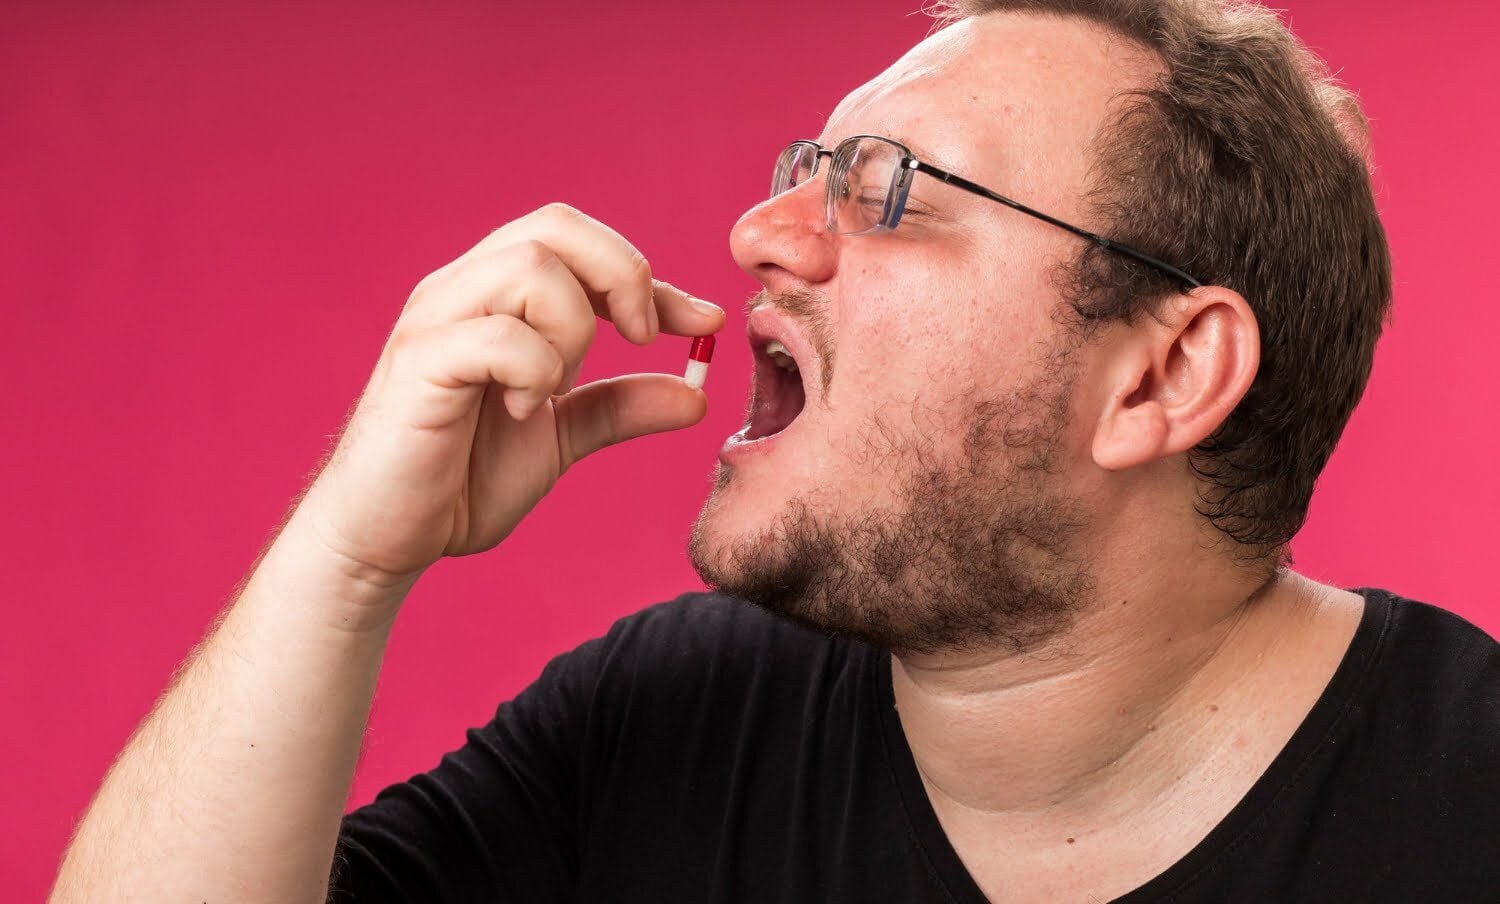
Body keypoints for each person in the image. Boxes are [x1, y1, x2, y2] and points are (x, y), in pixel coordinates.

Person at [51, 0, 1497, 901]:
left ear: (1163, 375)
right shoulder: (666, 725)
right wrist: (348, 559)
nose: (760, 235)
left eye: (888, 189)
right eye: (802, 172)